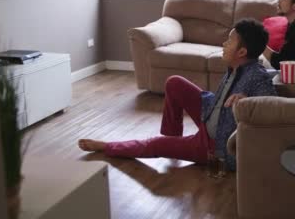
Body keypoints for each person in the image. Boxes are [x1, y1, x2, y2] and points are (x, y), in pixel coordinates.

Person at [78, 19, 276, 172]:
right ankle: (173, 141)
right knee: (175, 83)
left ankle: (108, 147)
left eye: (230, 41)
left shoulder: (257, 77)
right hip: (211, 113)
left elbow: (271, 108)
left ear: (242, 51)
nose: (224, 44)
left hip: (214, 146)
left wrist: (248, 102)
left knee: (154, 144)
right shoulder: (236, 66)